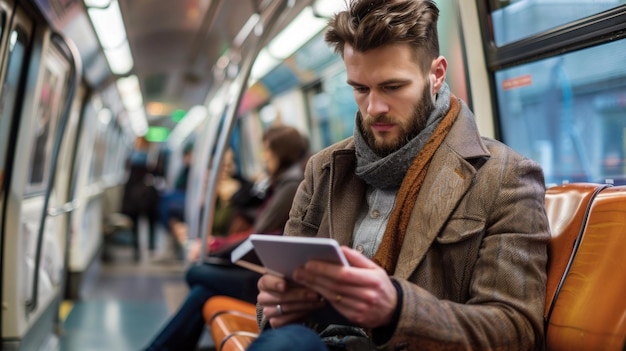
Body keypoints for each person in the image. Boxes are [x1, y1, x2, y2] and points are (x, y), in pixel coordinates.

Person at [249, 1, 551, 350]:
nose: (373, 108)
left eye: (392, 87)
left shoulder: (503, 176)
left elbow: (516, 330)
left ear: (436, 74)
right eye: (360, 89)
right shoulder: (324, 169)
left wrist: (397, 310)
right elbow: (270, 308)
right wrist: (279, 305)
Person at [143, 125, 309, 351]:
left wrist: (214, 248)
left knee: (197, 273)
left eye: (267, 151)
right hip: (262, 271)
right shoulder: (281, 183)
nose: (263, 157)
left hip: (265, 279)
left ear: (280, 153)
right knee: (203, 291)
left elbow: (261, 231)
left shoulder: (290, 186)